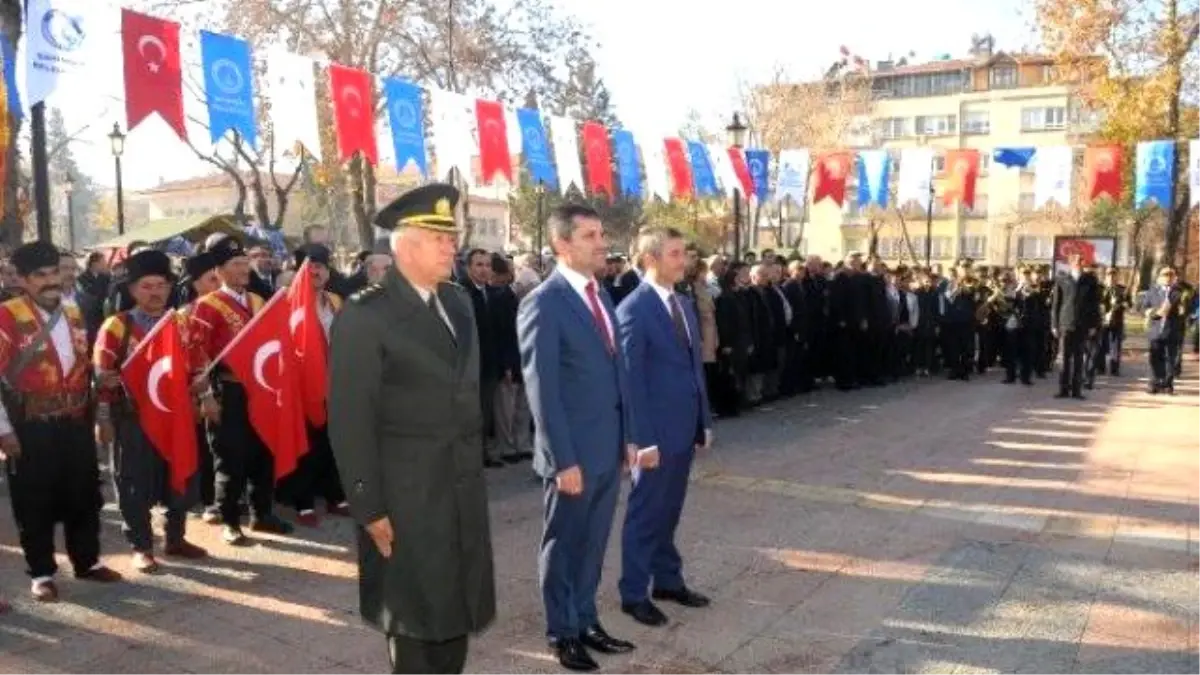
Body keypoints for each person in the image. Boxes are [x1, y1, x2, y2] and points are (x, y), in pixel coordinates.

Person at [328, 183, 495, 675]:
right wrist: (369, 506)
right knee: (416, 624)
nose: (452, 246)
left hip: (460, 487)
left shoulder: (459, 302)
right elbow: (349, 420)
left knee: (456, 610)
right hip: (406, 498)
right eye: (438, 237)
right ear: (404, 244)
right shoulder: (365, 316)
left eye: (453, 236)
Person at [519, 203, 639, 672]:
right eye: (589, 235)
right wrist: (561, 459)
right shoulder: (544, 303)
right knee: (564, 544)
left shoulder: (601, 294)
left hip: (607, 447)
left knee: (593, 542)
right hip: (572, 456)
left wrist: (627, 438)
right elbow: (542, 391)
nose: (601, 242)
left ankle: (587, 620)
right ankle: (562, 631)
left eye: (601, 233)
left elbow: (617, 373)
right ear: (562, 245)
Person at [0, 241, 123, 601]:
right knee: (33, 499)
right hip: (31, 423)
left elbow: (81, 366)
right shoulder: (7, 316)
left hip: (74, 419)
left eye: (54, 272)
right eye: (40, 275)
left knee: (84, 493)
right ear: (22, 279)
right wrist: (4, 431)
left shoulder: (72, 312)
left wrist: (99, 389)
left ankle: (87, 561)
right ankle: (41, 572)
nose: (51, 280)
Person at [614, 227, 712, 629]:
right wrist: (641, 439)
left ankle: (667, 581)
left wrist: (703, 420)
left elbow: (693, 368)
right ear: (651, 258)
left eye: (683, 253)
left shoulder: (683, 303)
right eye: (674, 254)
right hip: (653, 434)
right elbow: (630, 381)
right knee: (645, 512)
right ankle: (634, 592)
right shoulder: (634, 309)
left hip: (683, 428)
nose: (682, 261)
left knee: (669, 510)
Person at [93, 250, 211, 572]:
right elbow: (101, 376)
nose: (155, 292)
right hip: (133, 418)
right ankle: (141, 546)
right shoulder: (116, 327)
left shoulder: (183, 323)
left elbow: (198, 363)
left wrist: (205, 390)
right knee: (134, 482)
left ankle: (176, 537)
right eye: (146, 286)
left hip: (178, 418)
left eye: (161, 285)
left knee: (182, 475)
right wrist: (103, 417)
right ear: (131, 290)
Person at [189, 237, 293, 544]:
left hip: (260, 390)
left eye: (245, 263)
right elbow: (198, 355)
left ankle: (262, 513)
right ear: (219, 271)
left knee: (263, 452)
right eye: (236, 264)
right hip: (227, 390)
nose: (244, 269)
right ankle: (230, 520)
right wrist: (206, 397)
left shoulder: (259, 302)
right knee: (229, 457)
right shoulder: (206, 306)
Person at [286, 244, 350, 526]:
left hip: (334, 382)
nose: (316, 273)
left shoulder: (336, 301)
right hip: (301, 385)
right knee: (306, 442)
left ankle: (334, 495)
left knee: (333, 441)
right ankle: (303, 501)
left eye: (321, 267)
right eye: (310, 268)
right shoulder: (287, 304)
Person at [1050, 253, 1101, 400]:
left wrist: (1093, 325)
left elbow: (1094, 305)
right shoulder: (1062, 279)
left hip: (1082, 324)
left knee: (1079, 358)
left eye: (1081, 260)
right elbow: (1056, 304)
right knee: (1064, 358)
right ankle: (1063, 389)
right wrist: (1054, 325)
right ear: (1070, 263)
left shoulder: (1090, 280)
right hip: (1065, 322)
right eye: (1076, 260)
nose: (1079, 262)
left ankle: (1077, 390)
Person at [1140, 266, 1184, 394]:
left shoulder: (1178, 292)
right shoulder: (1152, 291)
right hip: (1155, 329)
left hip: (1171, 329)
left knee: (1170, 359)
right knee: (1154, 358)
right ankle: (1154, 383)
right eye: (1165, 275)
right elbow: (1143, 308)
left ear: (1174, 277)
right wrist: (1154, 312)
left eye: (1171, 275)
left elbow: (1184, 308)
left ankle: (1167, 384)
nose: (1168, 277)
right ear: (1159, 277)